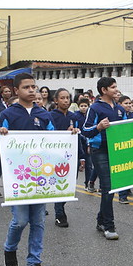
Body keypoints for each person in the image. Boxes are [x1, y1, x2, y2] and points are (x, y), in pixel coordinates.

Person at [0, 73, 63, 266]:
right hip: (18, 176)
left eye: (34, 87)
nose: (32, 90)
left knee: (39, 221)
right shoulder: (8, 115)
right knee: (20, 220)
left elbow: (55, 142)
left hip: (40, 174)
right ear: (17, 90)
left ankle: (34, 263)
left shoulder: (44, 115)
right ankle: (10, 248)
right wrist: (1, 135)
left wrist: (69, 134)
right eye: (27, 87)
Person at [81, 76, 130, 239]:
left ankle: (101, 220)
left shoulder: (120, 109)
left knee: (111, 188)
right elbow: (85, 130)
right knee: (108, 187)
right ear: (104, 90)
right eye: (113, 87)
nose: (117, 90)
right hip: (99, 151)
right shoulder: (95, 108)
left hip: (116, 151)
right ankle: (109, 226)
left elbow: (126, 128)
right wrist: (98, 127)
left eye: (116, 87)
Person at [49, 88, 85, 227]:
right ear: (56, 100)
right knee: (59, 183)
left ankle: (60, 205)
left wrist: (82, 157)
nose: (65, 101)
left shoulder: (73, 116)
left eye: (67, 98)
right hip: (56, 156)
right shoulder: (50, 116)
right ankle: (59, 213)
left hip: (72, 155)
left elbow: (78, 138)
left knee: (69, 184)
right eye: (62, 98)